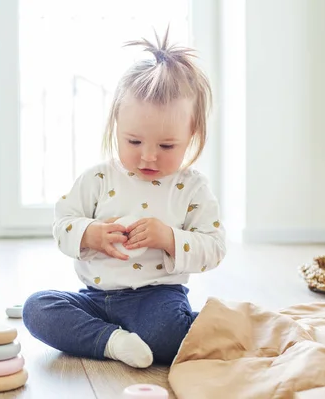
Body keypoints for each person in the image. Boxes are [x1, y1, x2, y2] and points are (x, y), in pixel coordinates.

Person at [22, 28, 226, 368]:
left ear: (191, 134)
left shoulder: (192, 188)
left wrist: (170, 238)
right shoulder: (98, 179)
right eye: (134, 141)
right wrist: (90, 234)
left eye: (166, 146)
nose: (148, 157)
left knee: (169, 335)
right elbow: (63, 224)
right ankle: (112, 341)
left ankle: (123, 335)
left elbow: (215, 247)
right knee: (37, 309)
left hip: (157, 297)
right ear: (116, 123)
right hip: (96, 299)